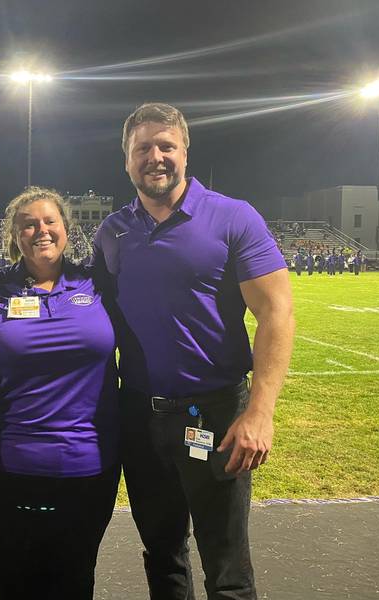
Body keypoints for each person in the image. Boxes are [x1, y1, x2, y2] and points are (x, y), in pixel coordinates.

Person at [92, 103, 295, 600]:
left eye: (166, 146)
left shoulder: (231, 216)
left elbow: (277, 313)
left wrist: (260, 412)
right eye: (143, 147)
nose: (155, 157)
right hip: (139, 414)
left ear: (185, 152)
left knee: (226, 566)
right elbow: (92, 318)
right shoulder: (112, 232)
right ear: (126, 159)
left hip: (214, 412)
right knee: (162, 557)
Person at [0, 187, 120, 600]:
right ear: (14, 235)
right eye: (28, 224)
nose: (40, 230)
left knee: (77, 578)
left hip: (88, 464)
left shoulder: (97, 284)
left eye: (50, 221)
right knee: (15, 580)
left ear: (67, 229)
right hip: (3, 464)